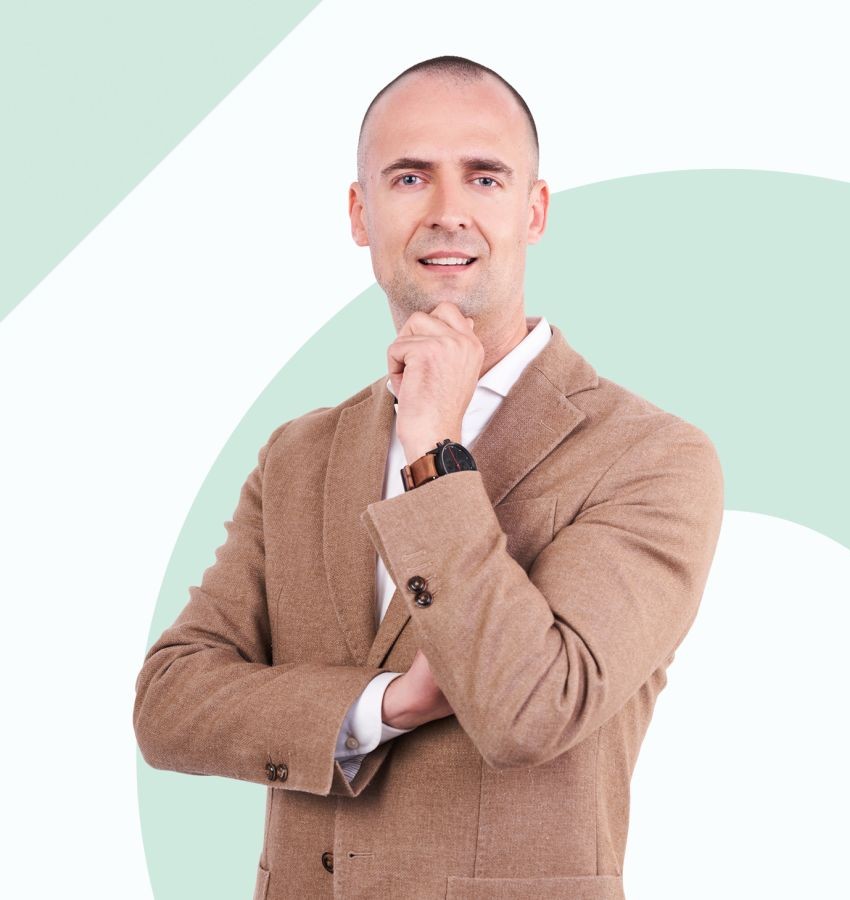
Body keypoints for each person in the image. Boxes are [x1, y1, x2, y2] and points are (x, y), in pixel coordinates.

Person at [133, 55, 724, 900]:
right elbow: (168, 702)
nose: (448, 211)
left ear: (533, 210)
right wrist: (381, 706)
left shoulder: (650, 457)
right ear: (360, 213)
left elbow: (533, 709)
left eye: (484, 177)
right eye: (410, 177)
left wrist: (434, 450)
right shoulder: (297, 455)